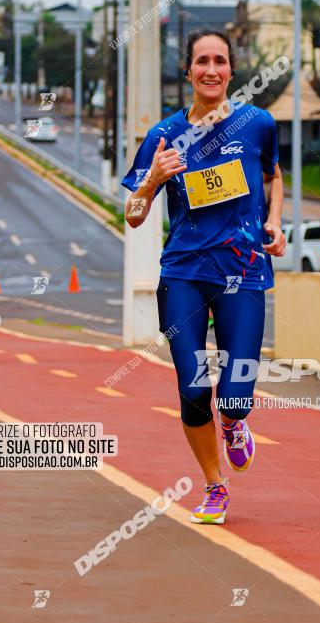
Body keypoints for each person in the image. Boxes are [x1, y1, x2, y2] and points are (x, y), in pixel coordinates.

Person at [121, 29, 285, 525]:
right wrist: (154, 179)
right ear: (188, 71)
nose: (210, 70)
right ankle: (215, 486)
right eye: (201, 61)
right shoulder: (163, 136)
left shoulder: (258, 124)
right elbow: (132, 214)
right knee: (193, 389)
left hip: (244, 270)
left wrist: (274, 222)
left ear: (231, 70)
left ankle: (235, 422)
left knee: (235, 392)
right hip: (185, 273)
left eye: (219, 61)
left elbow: (274, 175)